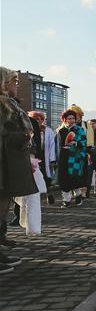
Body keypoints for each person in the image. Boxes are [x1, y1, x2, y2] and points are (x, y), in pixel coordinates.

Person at [0, 67, 33, 273]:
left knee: (3, 211)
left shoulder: (9, 103)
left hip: (9, 163)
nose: (17, 84)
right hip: (3, 165)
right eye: (14, 81)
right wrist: (20, 137)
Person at [57, 109, 88, 207]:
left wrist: (76, 143)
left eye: (73, 118)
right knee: (64, 178)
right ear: (64, 120)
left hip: (75, 157)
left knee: (75, 178)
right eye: (69, 118)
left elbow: (84, 143)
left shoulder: (80, 130)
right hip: (63, 156)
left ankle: (78, 195)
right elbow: (57, 145)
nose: (71, 120)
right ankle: (66, 200)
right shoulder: (60, 131)